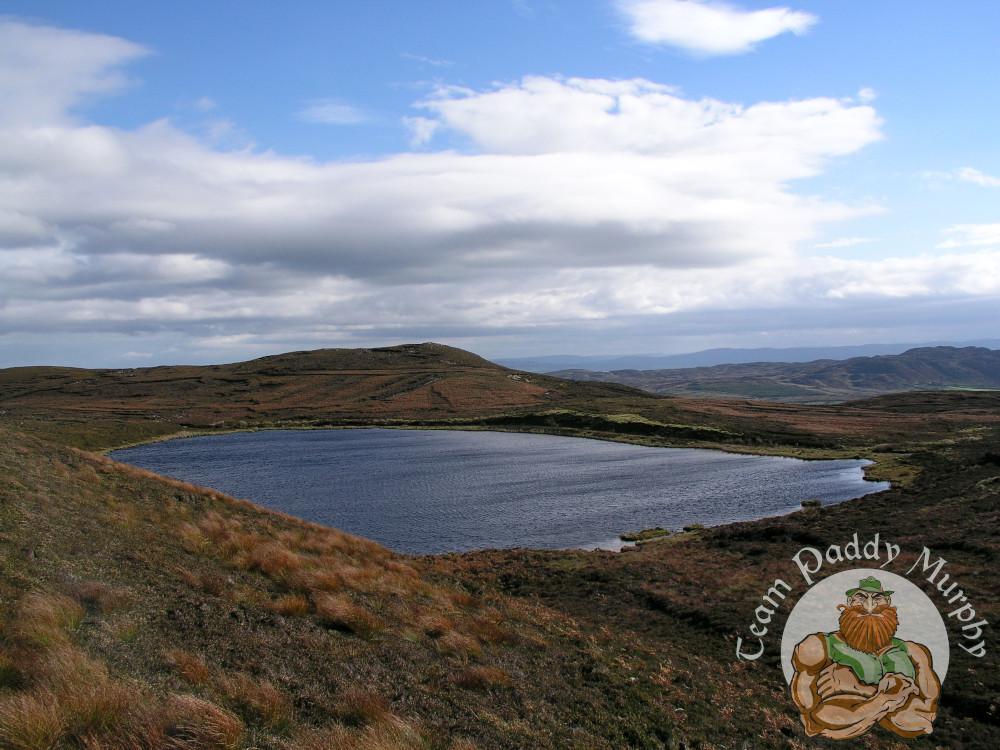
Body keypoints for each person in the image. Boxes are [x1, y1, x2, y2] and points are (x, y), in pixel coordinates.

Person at [790, 576, 940, 739]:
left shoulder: (914, 652)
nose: (869, 605)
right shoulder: (817, 646)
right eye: (861, 597)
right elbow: (816, 719)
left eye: (878, 598)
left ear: (888, 601)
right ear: (849, 602)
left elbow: (925, 719)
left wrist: (859, 689)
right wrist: (893, 695)